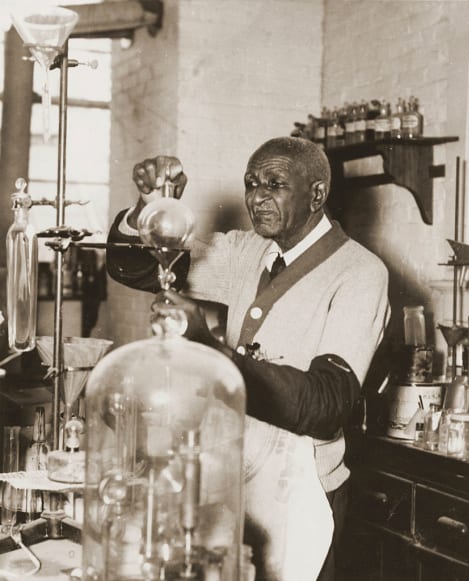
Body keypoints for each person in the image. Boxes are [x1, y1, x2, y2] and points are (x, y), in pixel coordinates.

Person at [106, 137, 390, 581]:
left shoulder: (360, 273)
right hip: (232, 478)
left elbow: (328, 402)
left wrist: (215, 351)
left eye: (274, 184)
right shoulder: (245, 252)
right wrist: (151, 207)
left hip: (303, 491)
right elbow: (138, 270)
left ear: (317, 194)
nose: (257, 197)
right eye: (251, 184)